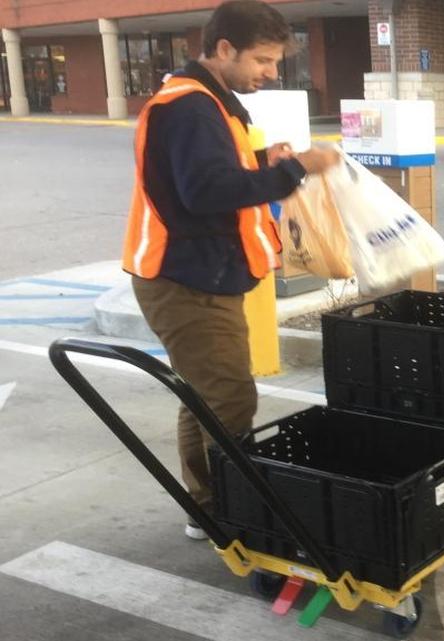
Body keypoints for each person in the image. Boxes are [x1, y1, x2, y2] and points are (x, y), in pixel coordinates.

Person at [120, 0, 339, 540]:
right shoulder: (191, 107)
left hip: (202, 276)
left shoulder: (212, 102)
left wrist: (263, 162)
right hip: (185, 281)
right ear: (224, 49)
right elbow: (206, 192)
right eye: (262, 60)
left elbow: (213, 173)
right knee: (231, 398)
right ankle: (228, 513)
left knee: (206, 395)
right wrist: (293, 170)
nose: (270, 72)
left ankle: (210, 505)